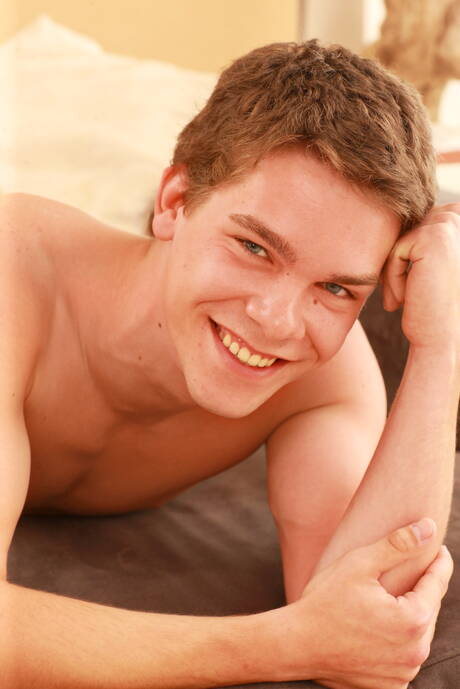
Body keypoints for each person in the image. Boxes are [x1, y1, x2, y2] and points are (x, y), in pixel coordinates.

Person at [1, 39, 458, 689]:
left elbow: (370, 628)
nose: (277, 321)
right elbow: (327, 640)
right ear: (173, 200)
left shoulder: (324, 379)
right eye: (254, 247)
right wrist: (285, 644)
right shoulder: (14, 281)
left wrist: (441, 346)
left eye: (335, 288)